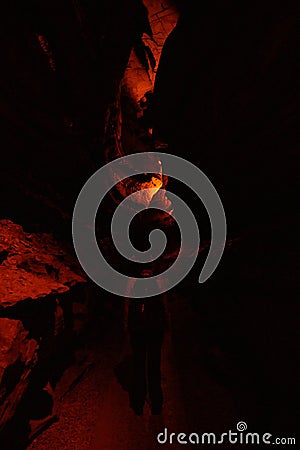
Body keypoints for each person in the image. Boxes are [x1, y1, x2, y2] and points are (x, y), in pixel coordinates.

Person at [124, 271, 169, 416]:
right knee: (153, 365)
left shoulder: (132, 280)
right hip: (154, 329)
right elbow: (164, 303)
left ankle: (139, 402)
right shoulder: (159, 278)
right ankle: (155, 403)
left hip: (139, 329)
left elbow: (127, 304)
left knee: (139, 365)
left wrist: (127, 326)